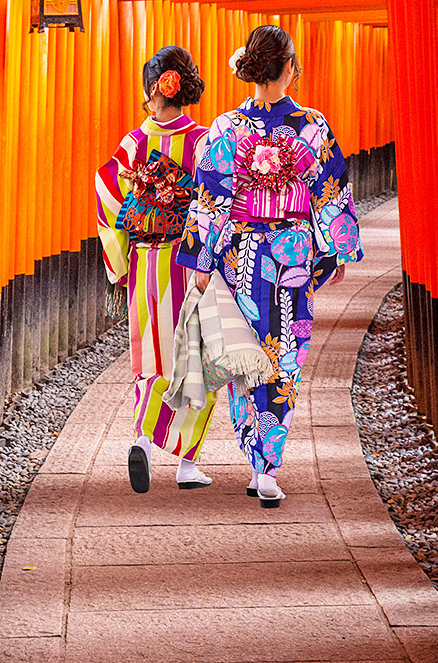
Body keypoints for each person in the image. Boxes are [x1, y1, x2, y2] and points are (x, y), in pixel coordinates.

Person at [176, 25, 364, 508]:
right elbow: (330, 190)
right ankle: (268, 466)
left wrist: (202, 258)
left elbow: (209, 198)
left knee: (248, 355)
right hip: (293, 255)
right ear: (289, 70)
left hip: (242, 255)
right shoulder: (312, 125)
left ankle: (256, 456)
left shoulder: (224, 129)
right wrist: (338, 248)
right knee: (284, 357)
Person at [94, 46, 218, 493]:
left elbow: (107, 191)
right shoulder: (204, 140)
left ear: (154, 89)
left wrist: (120, 258)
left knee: (152, 353)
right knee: (196, 355)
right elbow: (215, 203)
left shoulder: (134, 142)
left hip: (147, 260)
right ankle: (187, 463)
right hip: (191, 261)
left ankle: (143, 438)